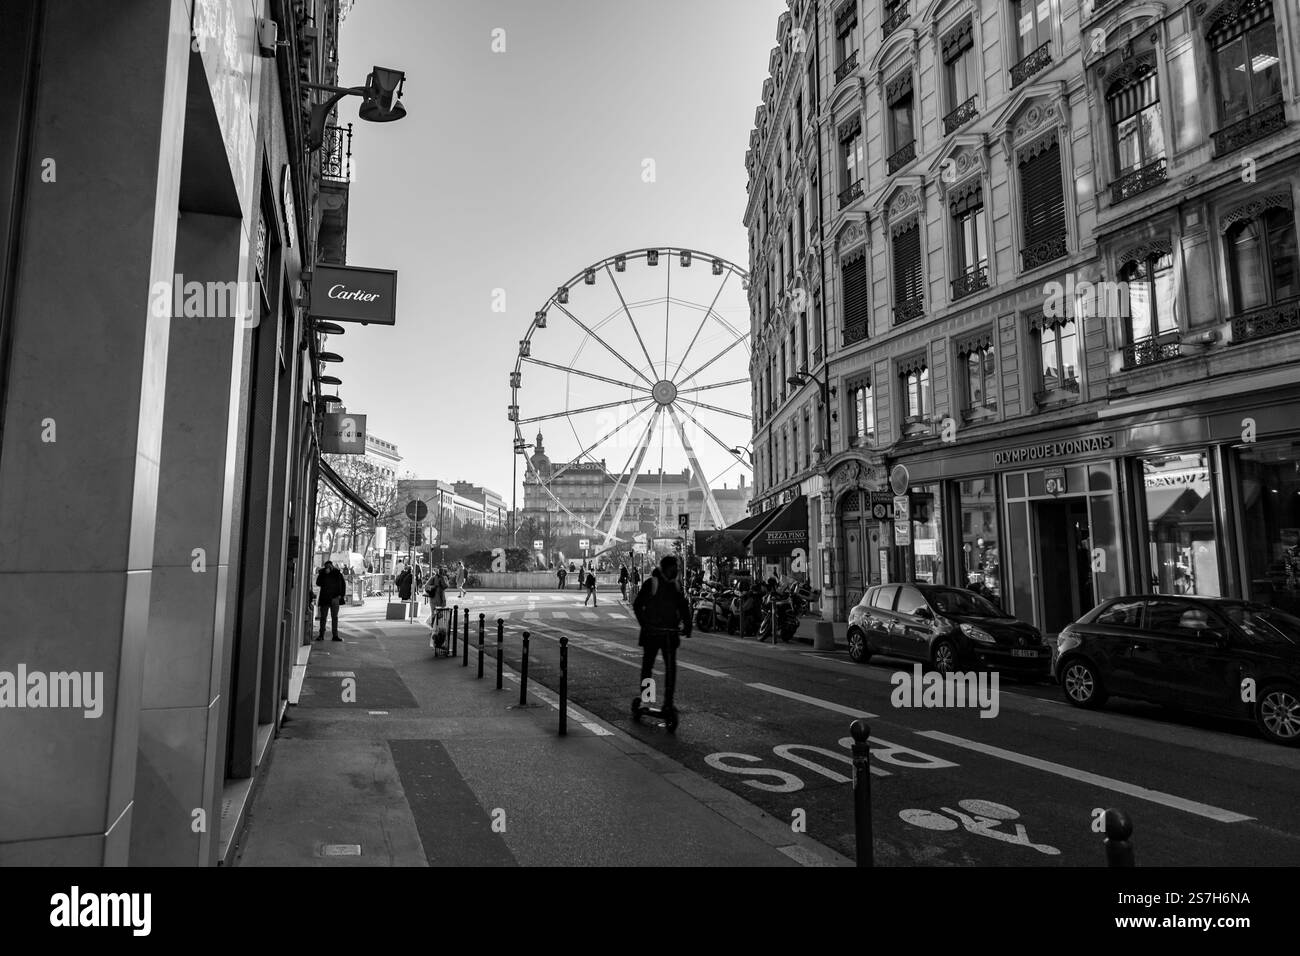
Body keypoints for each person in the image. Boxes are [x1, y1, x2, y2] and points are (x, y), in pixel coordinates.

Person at [632, 555, 692, 714]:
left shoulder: (676, 586)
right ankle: (646, 700)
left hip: (669, 634)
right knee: (648, 668)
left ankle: (668, 703)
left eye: (677, 568)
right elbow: (638, 605)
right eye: (674, 568)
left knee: (671, 669)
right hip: (652, 633)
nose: (677, 571)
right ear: (665, 568)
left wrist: (688, 625)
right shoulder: (652, 583)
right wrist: (645, 625)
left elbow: (684, 607)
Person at [315, 560, 346, 642]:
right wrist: (323, 574)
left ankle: (333, 635)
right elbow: (318, 583)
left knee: (332, 617)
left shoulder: (337, 573)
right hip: (327, 598)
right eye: (327, 566)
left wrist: (341, 595)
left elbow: (343, 584)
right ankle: (323, 635)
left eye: (329, 566)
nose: (328, 568)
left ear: (332, 566)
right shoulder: (323, 573)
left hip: (334, 598)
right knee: (324, 617)